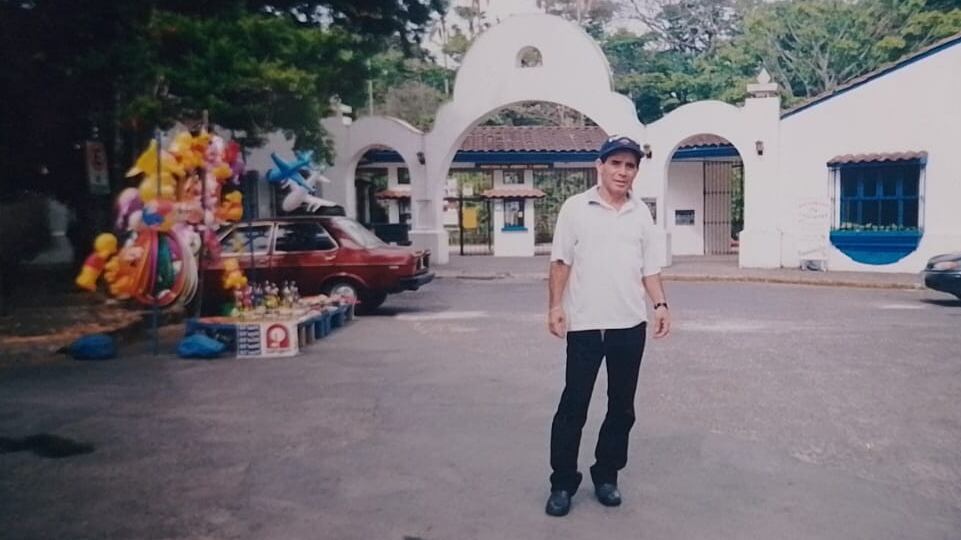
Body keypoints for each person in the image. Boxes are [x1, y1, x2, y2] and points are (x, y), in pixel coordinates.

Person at [544, 135, 671, 517]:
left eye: (630, 165)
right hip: (585, 325)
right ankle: (562, 482)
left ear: (636, 172)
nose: (622, 171)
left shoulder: (641, 213)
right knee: (574, 406)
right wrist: (555, 306)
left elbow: (649, 268)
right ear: (599, 165)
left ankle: (606, 474)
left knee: (622, 407)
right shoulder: (575, 208)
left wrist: (660, 305)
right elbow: (560, 261)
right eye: (615, 163)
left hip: (629, 325)